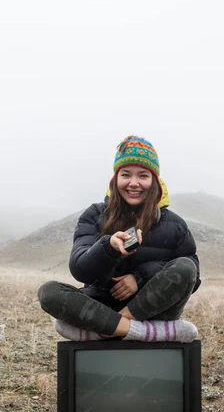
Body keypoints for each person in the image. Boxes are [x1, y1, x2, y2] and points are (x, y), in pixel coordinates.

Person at [38, 135, 200, 342]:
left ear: (154, 181)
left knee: (186, 266)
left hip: (155, 311)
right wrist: (109, 247)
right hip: (102, 305)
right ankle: (145, 332)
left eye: (143, 176)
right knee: (49, 293)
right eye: (126, 175)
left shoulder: (175, 224)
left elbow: (191, 277)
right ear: (115, 180)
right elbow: (80, 270)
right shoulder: (94, 215)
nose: (134, 183)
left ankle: (109, 329)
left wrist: (140, 278)